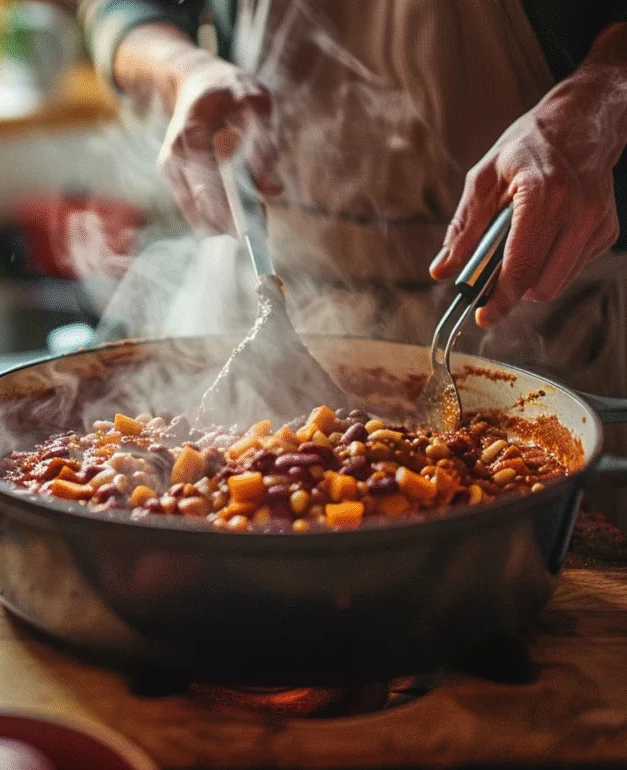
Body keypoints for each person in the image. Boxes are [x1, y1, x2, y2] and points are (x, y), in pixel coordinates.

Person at [79, 0, 627, 525]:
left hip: (542, 304)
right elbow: (122, 6)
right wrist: (183, 70)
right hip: (274, 281)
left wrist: (601, 96)